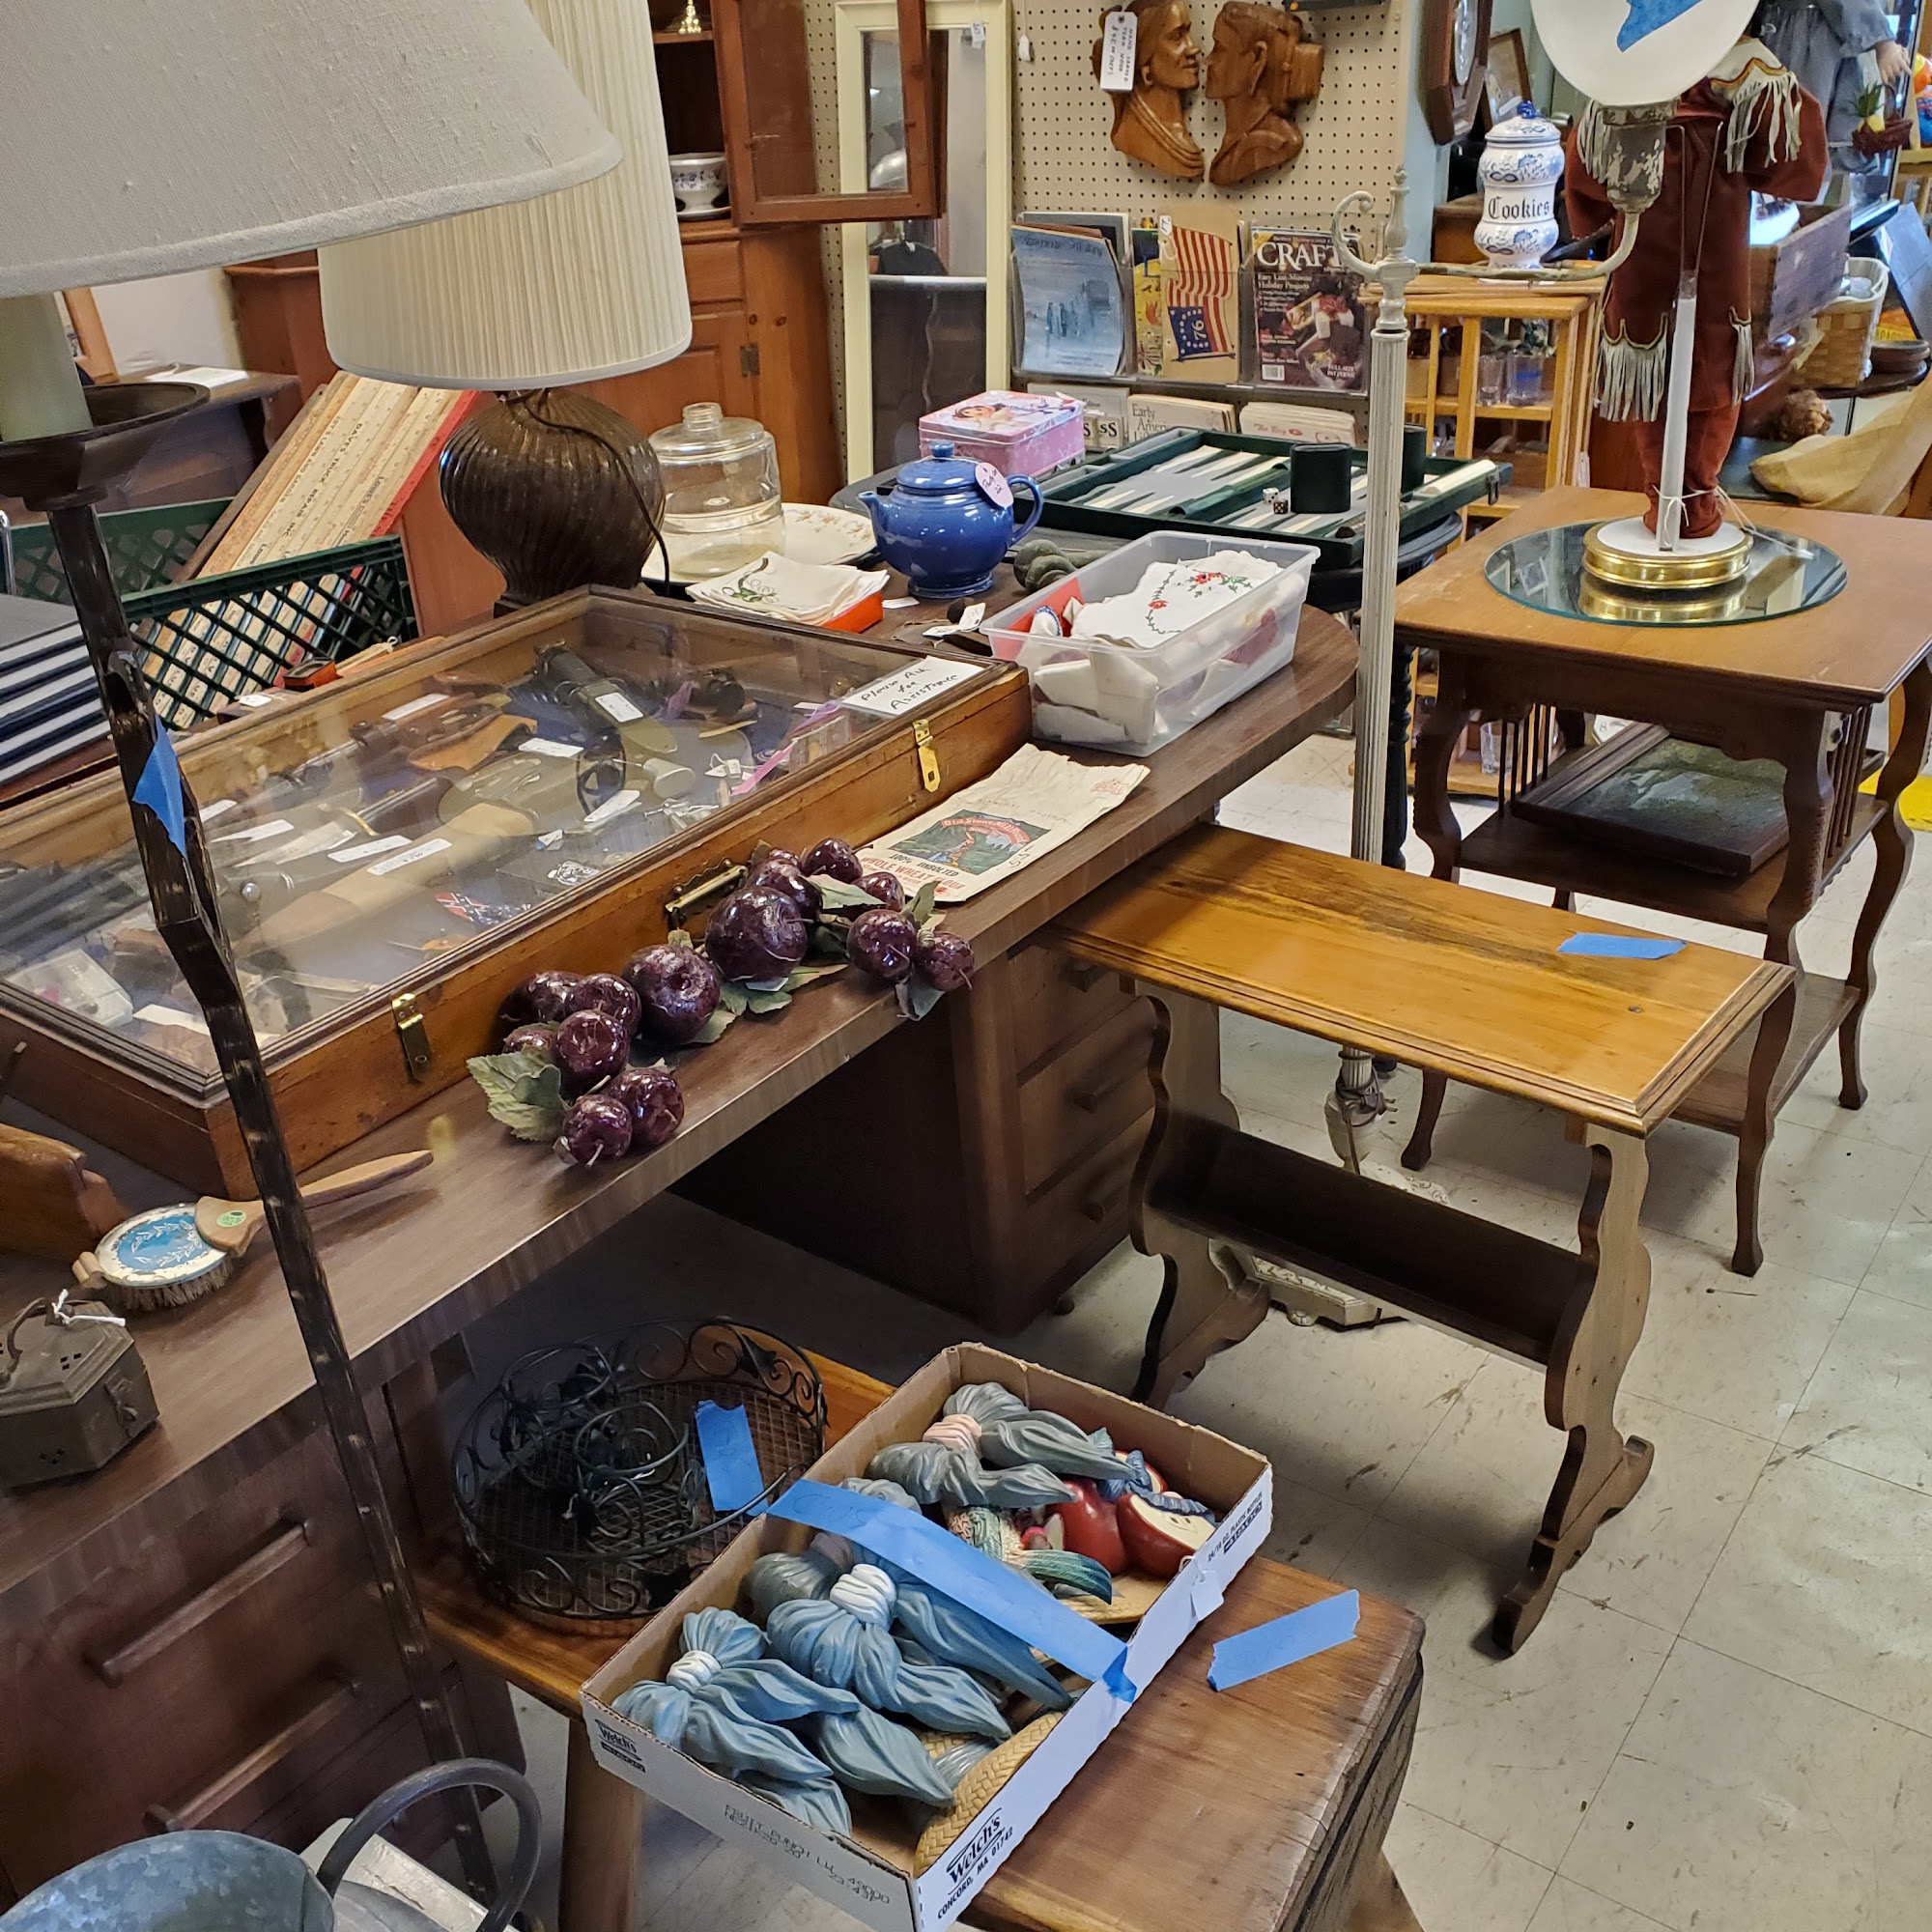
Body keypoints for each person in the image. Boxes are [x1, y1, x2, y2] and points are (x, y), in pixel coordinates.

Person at [1565, 31, 1827, 537]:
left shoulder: (1639, 73)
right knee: (1696, 379)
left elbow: (1587, 181)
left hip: (1678, 271)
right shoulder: (1751, 76)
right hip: (1691, 271)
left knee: (1685, 379)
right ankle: (1684, 509)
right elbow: (1797, 167)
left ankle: (1684, 508)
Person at [1755, 0, 1911, 159]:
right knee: (1800, 140)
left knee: (1800, 139)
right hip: (1807, 34)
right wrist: (1883, 42)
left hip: (1819, 31)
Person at [1205, 3, 1323, 185]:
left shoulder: (1276, 142)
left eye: (1220, 49)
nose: (1208, 61)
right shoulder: (1236, 144)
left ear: (1258, 60)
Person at [1093, 0, 1204, 179]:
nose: (1193, 48)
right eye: (1177, 37)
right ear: (1145, 64)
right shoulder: (1131, 134)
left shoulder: (1182, 143)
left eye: (1187, 32)